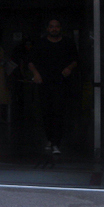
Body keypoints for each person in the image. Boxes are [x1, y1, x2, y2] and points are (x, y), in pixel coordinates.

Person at [28, 19, 78, 155]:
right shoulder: (41, 43)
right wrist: (36, 74)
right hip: (44, 83)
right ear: (47, 28)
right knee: (46, 112)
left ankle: (56, 142)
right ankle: (50, 139)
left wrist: (69, 68)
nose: (54, 29)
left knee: (59, 112)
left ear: (60, 28)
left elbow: (76, 60)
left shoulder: (67, 43)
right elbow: (31, 61)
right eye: (51, 27)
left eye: (56, 27)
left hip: (62, 83)